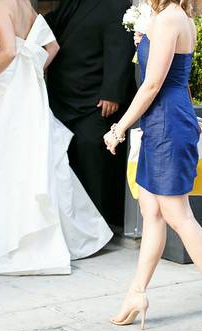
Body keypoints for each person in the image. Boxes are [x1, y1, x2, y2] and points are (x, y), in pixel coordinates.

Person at [0, 0, 113, 275]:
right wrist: (33, 68)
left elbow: (8, 52)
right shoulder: (27, 7)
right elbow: (53, 48)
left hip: (1, 89)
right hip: (25, 90)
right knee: (24, 158)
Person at [103, 0, 202, 331]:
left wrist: (118, 128)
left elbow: (153, 85)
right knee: (151, 212)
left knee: (178, 215)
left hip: (167, 124)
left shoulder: (170, 20)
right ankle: (136, 295)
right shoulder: (171, 18)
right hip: (162, 123)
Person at [45, 0, 137, 230]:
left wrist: (112, 92)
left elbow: (120, 47)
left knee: (93, 157)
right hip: (65, 94)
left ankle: (102, 221)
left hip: (97, 98)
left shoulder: (117, 4)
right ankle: (78, 222)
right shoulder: (71, 3)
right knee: (69, 157)